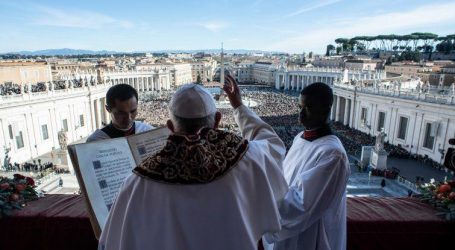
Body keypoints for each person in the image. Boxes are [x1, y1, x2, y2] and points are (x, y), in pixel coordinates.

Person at [99, 77, 288, 250]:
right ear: (217, 120)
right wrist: (239, 107)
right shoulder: (248, 157)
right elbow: (274, 146)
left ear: (170, 127)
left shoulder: (137, 181)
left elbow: (112, 242)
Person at [264, 82, 351, 250]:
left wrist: (262, 207)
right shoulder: (299, 138)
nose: (301, 114)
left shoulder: (333, 155)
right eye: (300, 107)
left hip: (311, 238)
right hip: (289, 233)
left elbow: (302, 204)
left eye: (308, 108)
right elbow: (285, 178)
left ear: (326, 109)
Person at [86, 84, 153, 142]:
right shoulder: (95, 141)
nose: (128, 118)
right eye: (121, 113)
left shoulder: (149, 131)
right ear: (108, 109)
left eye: (133, 111)